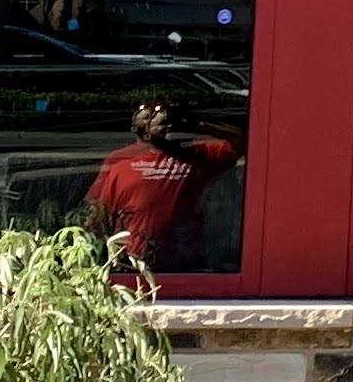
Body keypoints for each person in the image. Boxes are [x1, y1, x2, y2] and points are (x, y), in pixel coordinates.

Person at [84, 100, 241, 273]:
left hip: (186, 262)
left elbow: (242, 143)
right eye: (163, 124)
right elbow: (101, 217)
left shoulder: (200, 157)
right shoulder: (122, 168)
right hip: (135, 262)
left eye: (174, 124)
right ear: (148, 132)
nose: (170, 128)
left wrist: (200, 125)